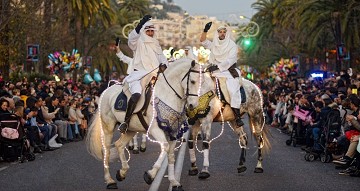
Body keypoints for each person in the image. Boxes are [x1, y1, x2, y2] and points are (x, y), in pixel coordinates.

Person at [117, 15, 168, 133]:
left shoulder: (156, 43)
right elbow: (131, 39)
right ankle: (126, 122)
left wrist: (164, 65)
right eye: (148, 31)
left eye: (151, 31)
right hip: (138, 76)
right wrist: (140, 24)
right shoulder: (138, 42)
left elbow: (162, 57)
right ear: (144, 31)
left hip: (155, 74)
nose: (150, 33)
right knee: (136, 95)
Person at [200, 22, 244, 126]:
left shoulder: (232, 45)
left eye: (224, 32)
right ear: (217, 33)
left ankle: (237, 116)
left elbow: (231, 60)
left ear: (227, 33)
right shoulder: (214, 44)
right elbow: (203, 41)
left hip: (228, 72)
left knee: (233, 91)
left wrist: (218, 66)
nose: (222, 33)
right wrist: (205, 30)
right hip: (214, 72)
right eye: (220, 32)